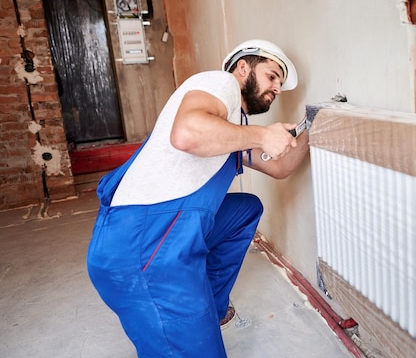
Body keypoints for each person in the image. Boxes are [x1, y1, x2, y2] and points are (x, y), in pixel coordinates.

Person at [86, 39, 309, 357]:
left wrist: (309, 130)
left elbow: (281, 166)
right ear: (243, 67)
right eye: (272, 76)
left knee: (245, 210)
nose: (277, 88)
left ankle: (210, 308)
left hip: (158, 234)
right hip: (140, 251)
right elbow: (187, 133)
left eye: (280, 83)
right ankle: (185, 315)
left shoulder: (231, 128)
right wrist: (264, 134)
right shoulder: (219, 82)